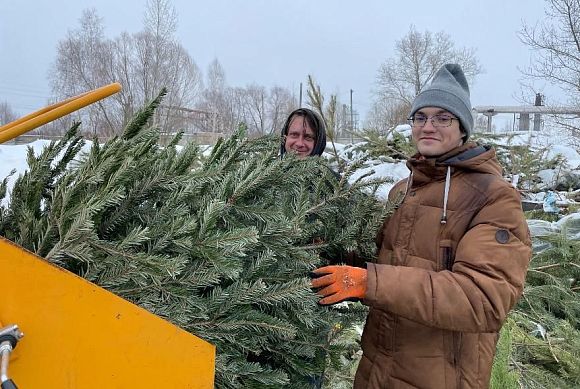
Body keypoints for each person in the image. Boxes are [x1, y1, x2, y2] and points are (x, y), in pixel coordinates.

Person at [311, 64, 532, 388]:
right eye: (420, 117)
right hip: (377, 369)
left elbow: (482, 299)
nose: (428, 126)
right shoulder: (403, 190)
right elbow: (386, 267)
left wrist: (368, 282)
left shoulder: (495, 198)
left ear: (462, 129)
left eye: (443, 118)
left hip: (439, 378)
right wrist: (336, 257)